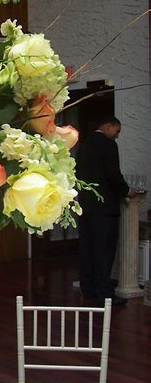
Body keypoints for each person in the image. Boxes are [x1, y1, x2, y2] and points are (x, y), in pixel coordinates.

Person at [75, 115, 137, 307]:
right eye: (117, 131)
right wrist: (126, 190)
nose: (117, 136)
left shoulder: (84, 144)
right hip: (104, 208)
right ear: (108, 126)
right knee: (104, 251)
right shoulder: (108, 144)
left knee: (88, 249)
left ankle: (88, 288)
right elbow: (112, 173)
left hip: (85, 206)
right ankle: (104, 293)